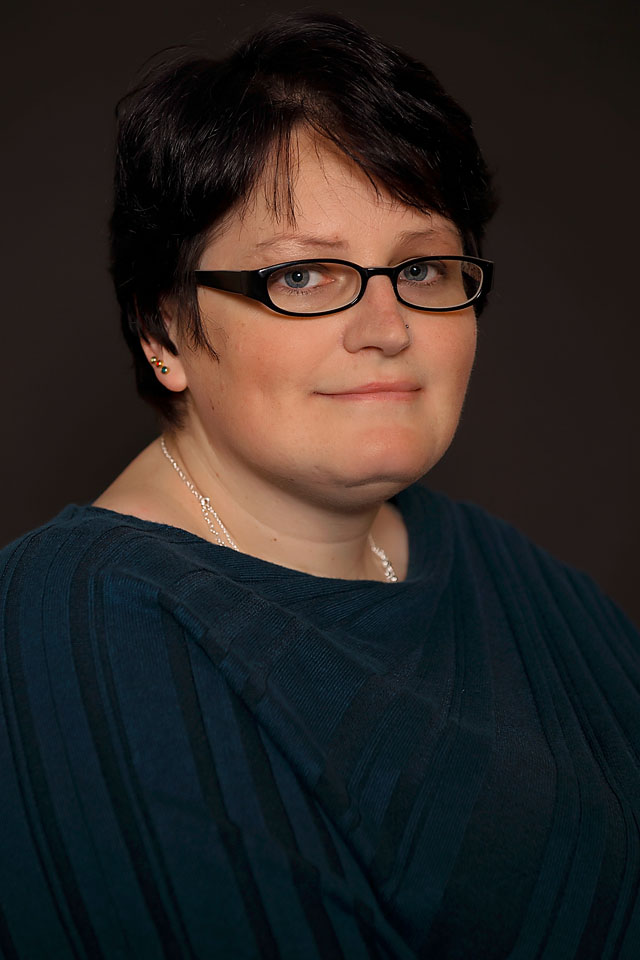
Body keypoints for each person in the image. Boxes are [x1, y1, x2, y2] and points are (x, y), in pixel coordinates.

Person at [1, 12, 638, 960]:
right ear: (163, 330)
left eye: (422, 267)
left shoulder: (511, 574)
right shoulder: (74, 623)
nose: (386, 326)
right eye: (303, 275)